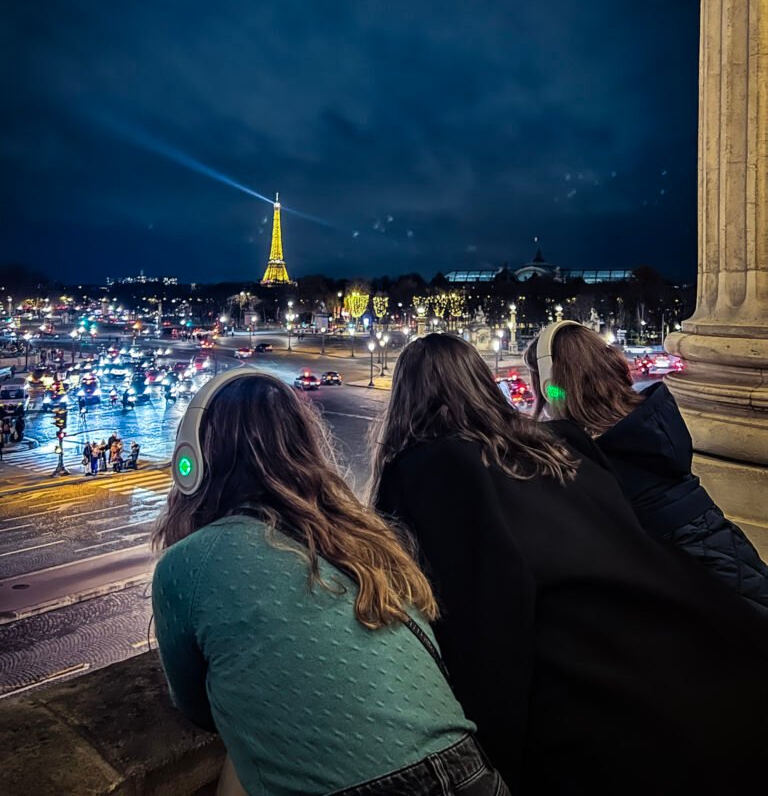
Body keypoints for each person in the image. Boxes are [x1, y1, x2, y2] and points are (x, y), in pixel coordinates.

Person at [369, 333, 768, 795]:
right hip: (714, 667)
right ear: (480, 383)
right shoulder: (561, 444)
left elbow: (484, 623)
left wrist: (497, 754)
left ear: (405, 400)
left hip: (606, 720)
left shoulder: (428, 470)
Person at [152, 370, 508, 796]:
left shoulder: (186, 564)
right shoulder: (367, 540)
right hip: (469, 771)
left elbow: (198, 709)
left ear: (191, 464)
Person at [523, 321, 768, 611]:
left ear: (552, 389)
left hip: (701, 590)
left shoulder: (594, 462)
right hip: (723, 558)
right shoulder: (648, 428)